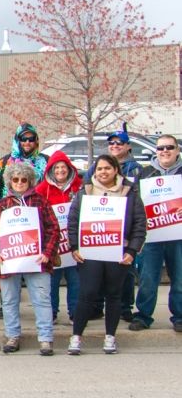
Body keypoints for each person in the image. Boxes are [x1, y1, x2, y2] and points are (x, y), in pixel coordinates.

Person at [67, 154, 147, 354]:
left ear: (115, 171)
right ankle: (76, 337)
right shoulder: (84, 192)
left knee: (114, 295)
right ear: (95, 171)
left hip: (118, 253)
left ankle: (110, 337)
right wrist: (74, 247)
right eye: (99, 168)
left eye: (107, 168)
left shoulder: (129, 193)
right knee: (87, 294)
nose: (103, 172)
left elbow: (139, 223)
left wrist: (132, 251)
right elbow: (73, 221)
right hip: (90, 252)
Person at [0, 162, 60, 355]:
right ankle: (13, 336)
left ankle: (45, 339)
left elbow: (53, 229)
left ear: (30, 181)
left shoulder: (41, 202)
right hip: (9, 262)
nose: (19, 183)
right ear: (9, 181)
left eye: (23, 179)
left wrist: (47, 253)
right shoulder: (2, 205)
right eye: (15, 179)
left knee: (42, 300)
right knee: (9, 300)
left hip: (37, 260)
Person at [87, 126, 144, 321]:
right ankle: (96, 306)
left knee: (125, 271)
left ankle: (124, 307)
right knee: (98, 270)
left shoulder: (136, 169)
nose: (114, 146)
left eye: (119, 143)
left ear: (128, 146)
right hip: (99, 225)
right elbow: (86, 192)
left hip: (123, 228)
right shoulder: (96, 167)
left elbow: (139, 199)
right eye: (111, 143)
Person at [130, 134, 182, 333]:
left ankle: (179, 316)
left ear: (177, 150)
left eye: (169, 147)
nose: (165, 151)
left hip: (178, 236)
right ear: (156, 152)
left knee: (179, 279)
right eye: (160, 148)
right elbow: (134, 204)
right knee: (148, 277)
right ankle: (143, 316)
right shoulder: (145, 174)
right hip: (152, 235)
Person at [34, 150, 83, 324]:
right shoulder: (41, 190)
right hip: (52, 244)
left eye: (63, 167)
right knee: (51, 281)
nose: (60, 171)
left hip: (73, 243)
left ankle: (75, 313)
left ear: (69, 169)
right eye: (57, 168)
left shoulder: (80, 187)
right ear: (51, 170)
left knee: (75, 280)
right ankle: (52, 312)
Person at [0, 123, 50, 204]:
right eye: (23, 138)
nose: (27, 142)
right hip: (9, 210)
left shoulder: (46, 161)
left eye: (31, 139)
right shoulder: (3, 163)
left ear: (36, 140)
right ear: (17, 139)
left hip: (38, 209)